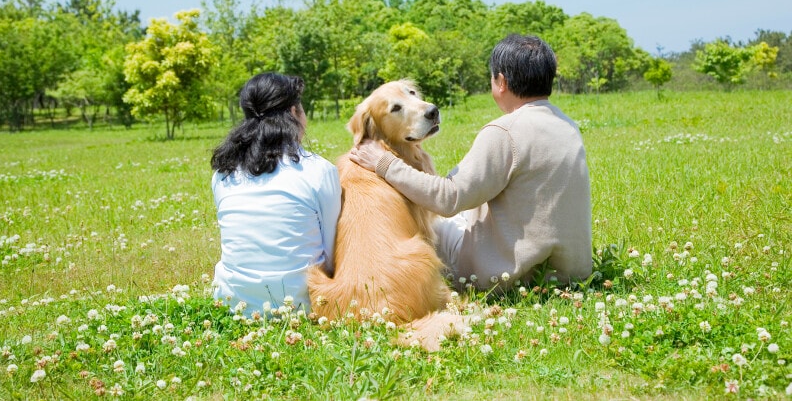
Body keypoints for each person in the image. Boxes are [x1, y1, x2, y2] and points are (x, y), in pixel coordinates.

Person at [350, 34, 592, 291]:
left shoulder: (504, 132)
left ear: (501, 82)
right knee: (467, 213)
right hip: (571, 273)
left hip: (513, 278)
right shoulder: (567, 125)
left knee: (437, 225)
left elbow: (448, 198)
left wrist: (385, 163)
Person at [210, 72, 341, 316]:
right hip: (304, 304)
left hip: (232, 303)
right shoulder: (319, 170)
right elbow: (333, 251)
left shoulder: (223, 173)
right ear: (294, 112)